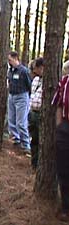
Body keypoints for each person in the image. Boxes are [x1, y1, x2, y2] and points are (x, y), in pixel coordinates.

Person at [52, 60, 69, 222]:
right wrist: (60, 127)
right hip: (65, 129)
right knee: (64, 171)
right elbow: (57, 104)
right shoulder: (64, 82)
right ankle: (66, 207)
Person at [7, 51, 32, 153]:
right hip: (11, 96)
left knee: (21, 122)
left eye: (10, 60)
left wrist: (27, 97)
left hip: (21, 96)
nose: (9, 62)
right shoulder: (10, 70)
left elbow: (29, 84)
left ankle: (26, 144)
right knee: (11, 120)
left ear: (15, 58)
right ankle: (16, 138)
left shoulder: (23, 71)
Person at [28, 57, 44, 169]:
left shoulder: (51, 81)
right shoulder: (35, 80)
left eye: (36, 69)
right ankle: (34, 163)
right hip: (33, 112)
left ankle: (41, 164)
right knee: (34, 139)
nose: (34, 71)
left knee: (41, 140)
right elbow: (32, 95)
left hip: (42, 114)